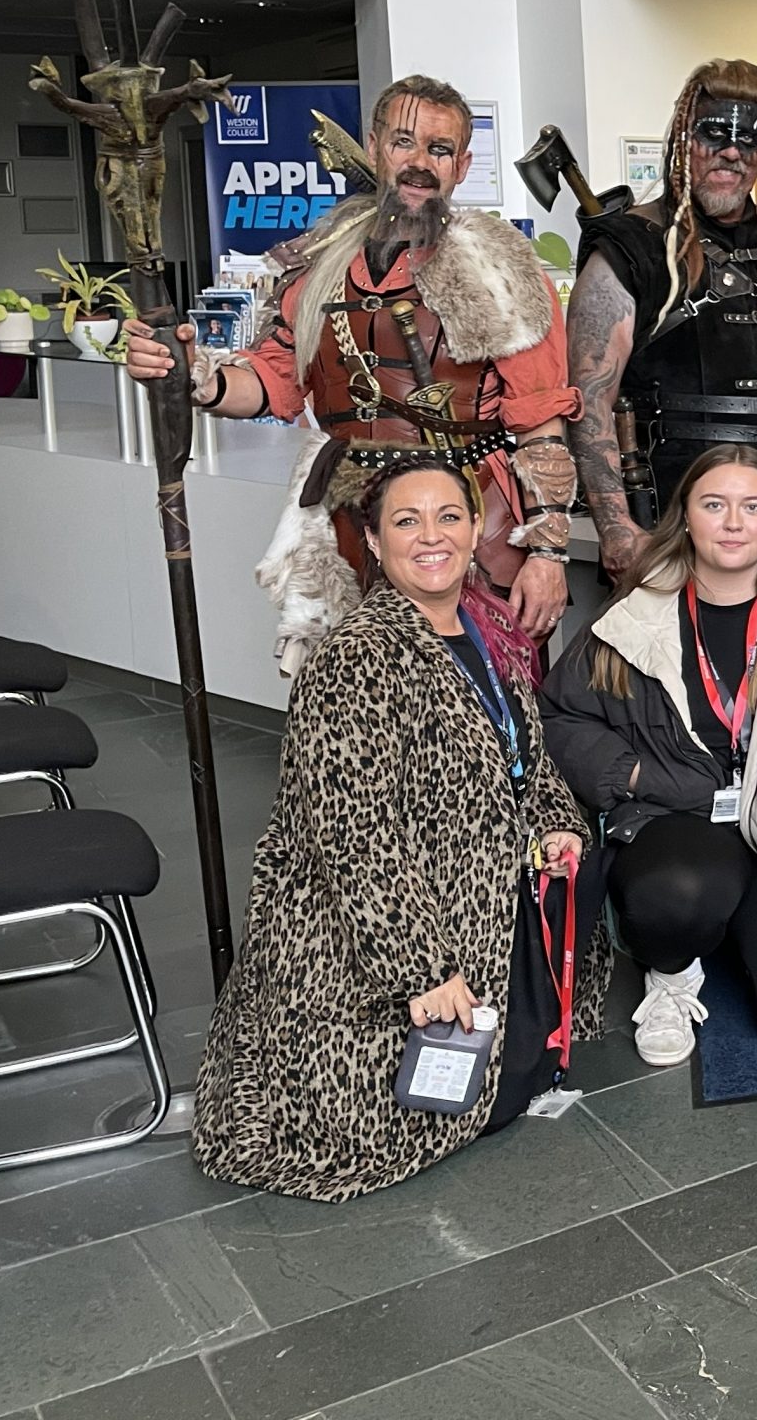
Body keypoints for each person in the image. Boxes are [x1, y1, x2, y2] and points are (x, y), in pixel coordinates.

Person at [191, 454, 606, 1201]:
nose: (432, 537)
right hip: (387, 925)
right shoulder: (356, 658)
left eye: (449, 517)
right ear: (374, 544)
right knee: (430, 1110)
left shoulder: (488, 634)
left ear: (478, 530)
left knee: (518, 1072)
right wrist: (421, 970)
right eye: (406, 522)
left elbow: (528, 756)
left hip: (481, 886)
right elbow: (354, 838)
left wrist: (555, 820)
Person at [125, 76, 580, 669]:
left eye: (439, 150)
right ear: (373, 148)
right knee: (356, 699)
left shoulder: (503, 271)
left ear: (462, 165)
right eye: (403, 143)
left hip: (469, 520)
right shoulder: (317, 265)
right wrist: (195, 378)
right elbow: (270, 382)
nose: (419, 164)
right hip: (346, 522)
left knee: (486, 696)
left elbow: (541, 423)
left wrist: (547, 555)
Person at [540, 445, 757, 1067]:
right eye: (714, 505)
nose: (733, 522)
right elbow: (562, 713)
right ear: (687, 517)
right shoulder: (636, 613)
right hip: (679, 820)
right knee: (670, 896)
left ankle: (732, 930)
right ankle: (672, 971)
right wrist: (633, 772)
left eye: (752, 506)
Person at [565, 61, 757, 577]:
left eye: (749, 140)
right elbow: (590, 400)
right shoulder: (630, 251)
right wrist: (615, 526)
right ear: (684, 141)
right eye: (714, 134)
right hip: (679, 527)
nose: (731, 152)